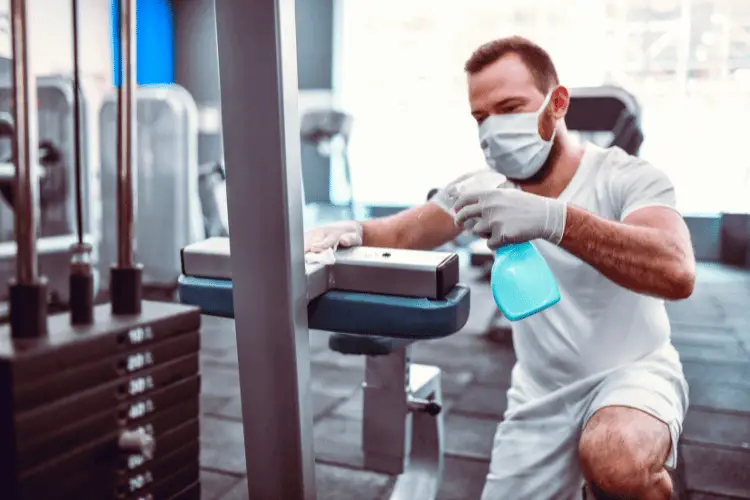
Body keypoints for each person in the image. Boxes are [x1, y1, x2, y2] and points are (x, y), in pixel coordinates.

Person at [304, 36, 695, 500]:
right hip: (540, 391)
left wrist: (556, 220)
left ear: (557, 103)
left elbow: (676, 270)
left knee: (616, 460)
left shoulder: (627, 176)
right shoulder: (483, 189)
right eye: (481, 117)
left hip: (633, 371)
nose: (494, 128)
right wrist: (348, 230)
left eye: (510, 107)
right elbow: (402, 233)